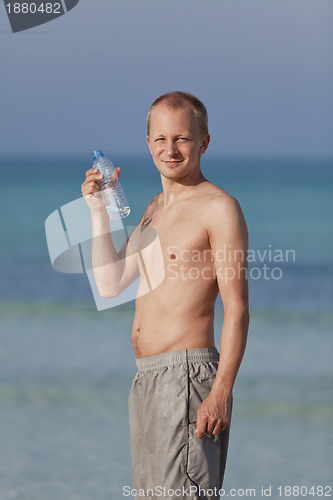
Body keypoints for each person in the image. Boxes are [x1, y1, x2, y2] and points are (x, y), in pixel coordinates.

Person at [81, 91, 249, 500]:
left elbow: (238, 309)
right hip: (147, 380)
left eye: (182, 139)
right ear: (148, 144)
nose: (170, 150)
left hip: (188, 380)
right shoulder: (153, 209)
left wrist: (221, 391)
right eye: (160, 139)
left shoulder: (219, 208)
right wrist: (98, 211)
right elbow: (111, 283)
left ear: (203, 142)